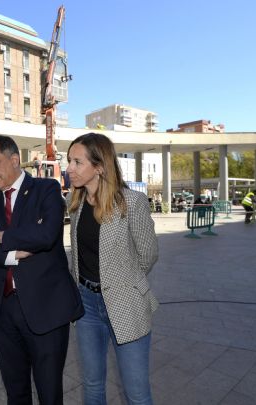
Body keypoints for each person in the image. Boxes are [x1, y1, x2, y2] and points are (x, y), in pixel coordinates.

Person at [0, 135, 83, 404]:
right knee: (15, 393)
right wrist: (11, 255)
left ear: (14, 159)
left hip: (46, 309)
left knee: (49, 393)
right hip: (3, 310)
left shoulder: (47, 189)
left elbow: (44, 235)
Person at [66, 133, 159, 405]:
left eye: (77, 162)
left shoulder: (132, 202)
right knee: (93, 385)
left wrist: (122, 282)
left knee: (136, 393)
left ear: (99, 166)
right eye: (69, 160)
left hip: (125, 304)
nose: (69, 168)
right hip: (86, 306)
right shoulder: (77, 205)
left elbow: (148, 255)